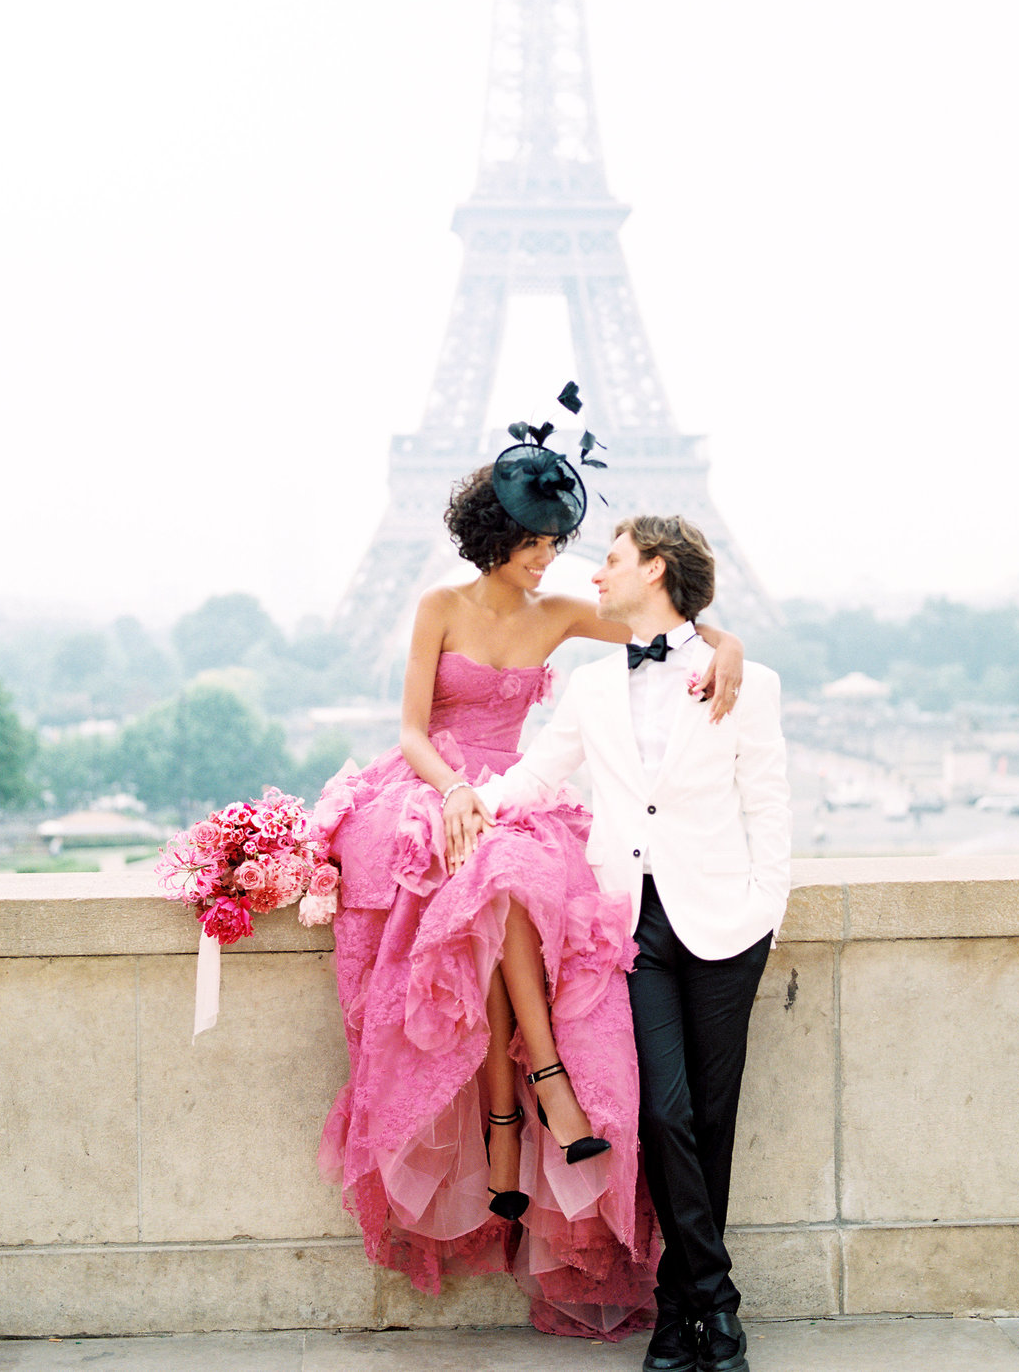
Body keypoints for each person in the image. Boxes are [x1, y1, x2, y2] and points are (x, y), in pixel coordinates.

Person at [311, 416, 745, 1339]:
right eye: (538, 545)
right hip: (439, 787)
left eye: (555, 545)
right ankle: (542, 1089)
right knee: (498, 871)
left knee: (511, 874)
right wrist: (457, 790)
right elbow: (414, 732)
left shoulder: (559, 616)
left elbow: (662, 628)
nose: (550, 560)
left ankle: (515, 1121)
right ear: (497, 540)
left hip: (517, 791)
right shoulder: (437, 607)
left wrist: (729, 646)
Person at [473, 515, 792, 1372]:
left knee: (713, 1120)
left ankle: (678, 1317)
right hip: (632, 926)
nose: (597, 574)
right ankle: (715, 1304)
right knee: (664, 1113)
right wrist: (466, 803)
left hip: (728, 920)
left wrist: (767, 909)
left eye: (612, 561)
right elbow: (538, 777)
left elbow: (768, 806)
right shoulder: (590, 686)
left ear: (654, 568)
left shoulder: (745, 680)